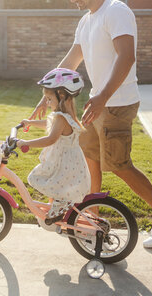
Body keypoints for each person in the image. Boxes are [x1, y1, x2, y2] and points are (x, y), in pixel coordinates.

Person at [29, 0, 152, 248]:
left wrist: (102, 98)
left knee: (119, 164)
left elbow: (126, 58)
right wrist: (47, 93)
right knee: (90, 162)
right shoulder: (86, 20)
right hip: (97, 103)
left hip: (117, 103)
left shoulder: (116, 11)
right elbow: (72, 61)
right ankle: (91, 219)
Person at [17, 68, 91, 224]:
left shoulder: (61, 117)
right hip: (69, 162)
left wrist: (26, 144)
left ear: (61, 96)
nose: (48, 103)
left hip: (64, 164)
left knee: (37, 178)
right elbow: (49, 124)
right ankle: (60, 205)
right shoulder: (65, 115)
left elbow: (50, 139)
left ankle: (60, 206)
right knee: (53, 185)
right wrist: (31, 122)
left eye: (49, 99)